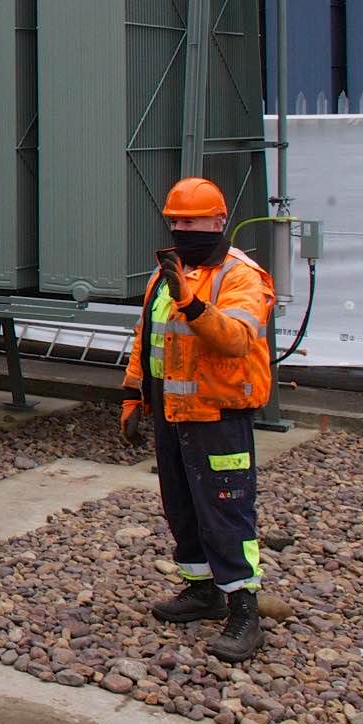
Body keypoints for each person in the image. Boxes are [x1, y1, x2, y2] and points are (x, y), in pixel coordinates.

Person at [119, 176, 277, 662]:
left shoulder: (240, 276)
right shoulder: (166, 273)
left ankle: (244, 610)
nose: (183, 229)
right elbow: (147, 337)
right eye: (176, 221)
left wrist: (191, 302)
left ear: (219, 220)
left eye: (193, 221)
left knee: (226, 511)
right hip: (172, 412)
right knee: (182, 507)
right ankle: (203, 590)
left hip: (219, 415)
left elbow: (235, 339)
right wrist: (132, 396)